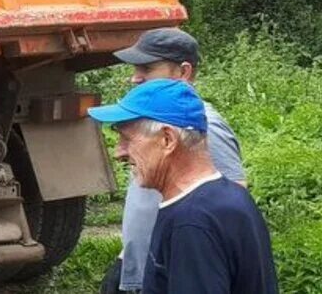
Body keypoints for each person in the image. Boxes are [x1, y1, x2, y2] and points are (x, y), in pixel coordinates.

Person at [89, 80, 277, 294]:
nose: (119, 153)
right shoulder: (230, 197)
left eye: (127, 139)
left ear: (167, 139)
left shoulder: (191, 222)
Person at [102, 28, 247, 294]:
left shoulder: (204, 126)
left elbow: (233, 200)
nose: (135, 78)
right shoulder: (151, 121)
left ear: (183, 72)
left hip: (170, 271)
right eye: (135, 69)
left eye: (146, 68)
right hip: (139, 267)